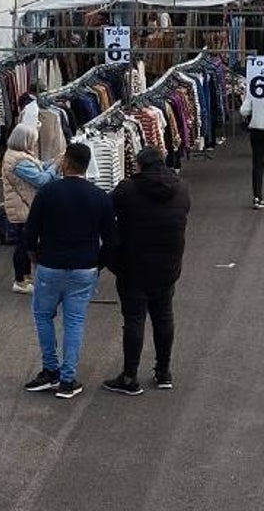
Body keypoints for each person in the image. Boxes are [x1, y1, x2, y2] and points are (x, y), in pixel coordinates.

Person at [23, 143, 114, 399]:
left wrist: (34, 258)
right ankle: (68, 377)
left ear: (66, 163)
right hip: (84, 267)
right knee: (74, 322)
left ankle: (49, 370)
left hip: (51, 264)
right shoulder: (100, 197)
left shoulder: (48, 193)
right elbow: (111, 239)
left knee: (43, 316)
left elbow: (30, 233)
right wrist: (98, 263)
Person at [102, 147, 190, 395]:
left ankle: (130, 376)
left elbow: (107, 214)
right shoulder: (181, 188)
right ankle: (163, 372)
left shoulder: (127, 189)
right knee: (164, 316)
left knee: (134, 319)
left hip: (133, 265)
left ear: (140, 165)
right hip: (168, 265)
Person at [2, 123, 59, 294]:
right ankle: (21, 280)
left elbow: (39, 167)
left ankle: (24, 278)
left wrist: (54, 162)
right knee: (24, 244)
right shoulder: (19, 160)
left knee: (25, 242)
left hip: (22, 206)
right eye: (32, 140)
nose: (34, 144)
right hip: (23, 207)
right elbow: (41, 180)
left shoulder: (17, 156)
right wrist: (56, 166)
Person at [240, 88, 264, 209]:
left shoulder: (254, 91)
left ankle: (257, 197)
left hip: (257, 131)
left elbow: (243, 111)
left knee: (257, 165)